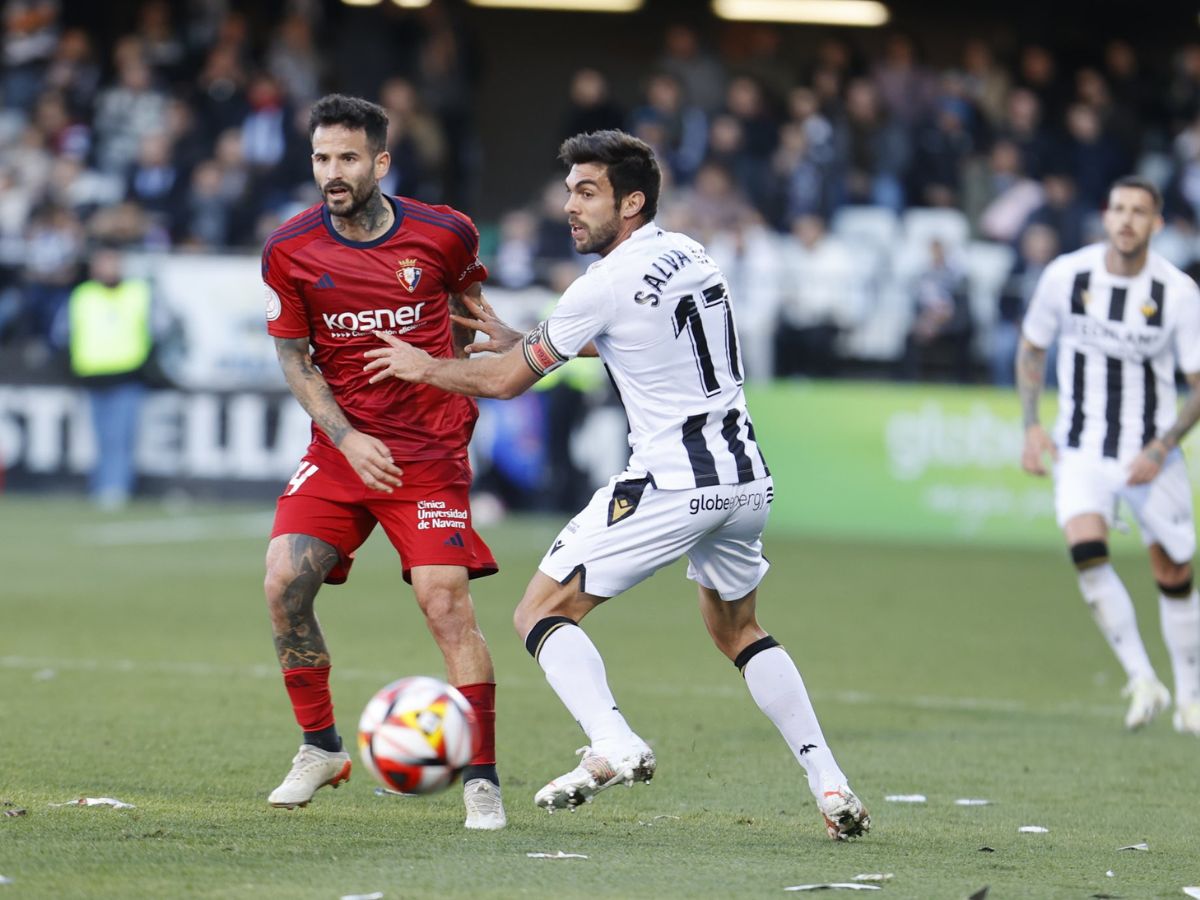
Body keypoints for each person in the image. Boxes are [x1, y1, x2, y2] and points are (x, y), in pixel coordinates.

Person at [364, 129, 870, 840]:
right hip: (745, 481)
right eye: (570, 190)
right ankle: (831, 784)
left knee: (538, 612)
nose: (570, 206)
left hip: (672, 482)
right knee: (737, 629)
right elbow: (638, 335)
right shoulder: (689, 252)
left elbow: (506, 384)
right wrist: (529, 337)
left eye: (587, 192)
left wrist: (425, 366)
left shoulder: (600, 283)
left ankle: (613, 742)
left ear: (631, 201)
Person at [259, 93, 506, 829]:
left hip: (426, 455)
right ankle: (321, 748)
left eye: (347, 158)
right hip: (342, 448)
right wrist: (346, 438)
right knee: (282, 585)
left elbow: (469, 308)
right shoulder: (289, 249)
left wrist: (457, 382)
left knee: (444, 603)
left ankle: (482, 779)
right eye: (321, 158)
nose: (332, 173)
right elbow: (293, 359)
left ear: (380, 162)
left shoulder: (444, 232)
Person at [1018, 175, 1200, 735]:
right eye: (1117, 208)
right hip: (1081, 449)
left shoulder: (1178, 292)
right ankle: (1143, 679)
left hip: (1150, 454)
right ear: (1106, 216)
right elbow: (1032, 348)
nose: (1125, 219)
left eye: (1138, 211)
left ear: (1156, 224)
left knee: (1172, 571)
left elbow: (1198, 385)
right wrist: (1030, 425)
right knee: (1087, 549)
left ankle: (1191, 698)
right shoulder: (1066, 275)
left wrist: (1163, 445)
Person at [66, 244, 152, 510]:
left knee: (120, 437)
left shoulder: (137, 292)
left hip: (126, 374)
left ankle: (115, 489)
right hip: (93, 376)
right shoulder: (83, 295)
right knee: (102, 438)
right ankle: (102, 486)